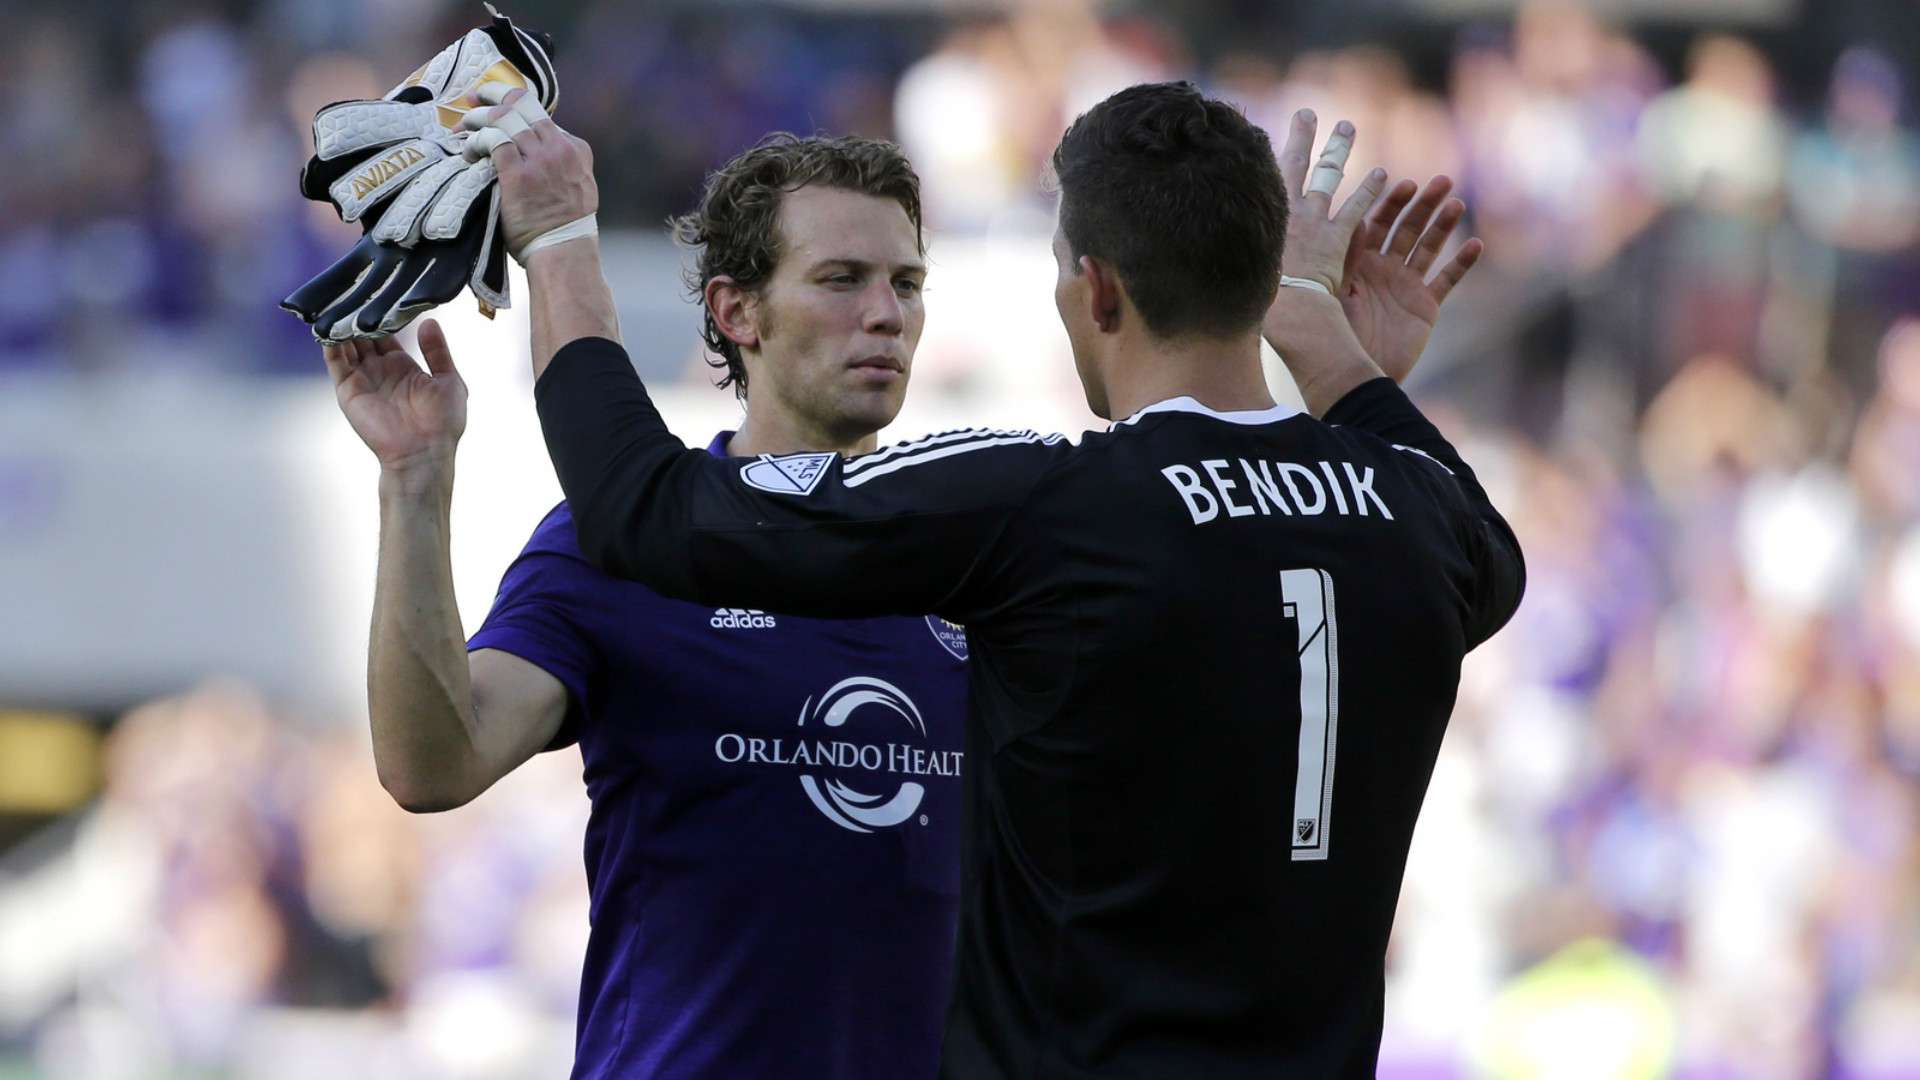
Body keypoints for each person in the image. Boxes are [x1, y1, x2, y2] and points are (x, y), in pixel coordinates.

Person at [489, 80, 1520, 1076]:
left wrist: (560, 241)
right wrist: (1325, 338)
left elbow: (644, 511)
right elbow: (1485, 552)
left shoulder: (1052, 506)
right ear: (1259, 288)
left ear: (1098, 288)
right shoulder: (1417, 516)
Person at [319, 134, 971, 1080]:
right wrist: (415, 481)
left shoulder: (976, 556)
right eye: (841, 279)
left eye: (905, 284)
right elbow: (432, 763)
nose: (885, 315)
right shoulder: (621, 545)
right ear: (736, 310)